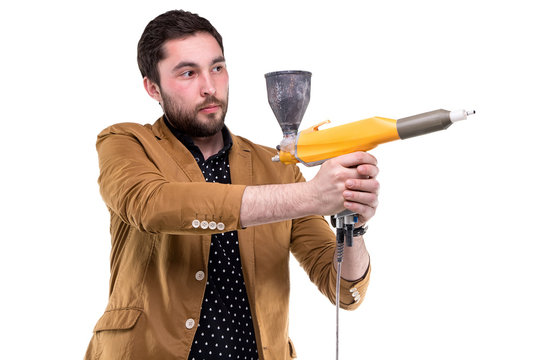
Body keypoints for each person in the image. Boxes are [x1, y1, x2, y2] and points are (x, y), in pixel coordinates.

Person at [85, 9, 379, 360]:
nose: (209, 87)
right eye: (188, 73)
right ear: (153, 87)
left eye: (217, 68)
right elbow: (153, 205)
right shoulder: (126, 142)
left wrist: (352, 221)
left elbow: (342, 288)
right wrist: (312, 194)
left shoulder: (276, 170)